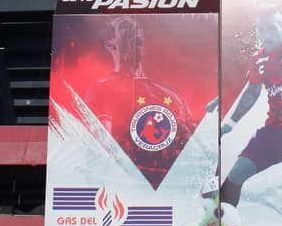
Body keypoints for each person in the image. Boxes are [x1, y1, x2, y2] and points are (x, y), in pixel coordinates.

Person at [187, 4, 282, 226]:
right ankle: (221, 218)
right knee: (237, 172)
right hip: (274, 131)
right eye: (262, 29)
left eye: (272, 27)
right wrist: (231, 122)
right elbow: (252, 91)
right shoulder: (258, 60)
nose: (267, 32)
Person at [84, 16, 198, 189]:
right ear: (110, 44)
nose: (135, 29)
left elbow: (196, 146)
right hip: (134, 189)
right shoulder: (103, 89)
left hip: (177, 190)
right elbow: (101, 147)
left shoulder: (171, 94)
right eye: (125, 26)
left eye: (137, 27)